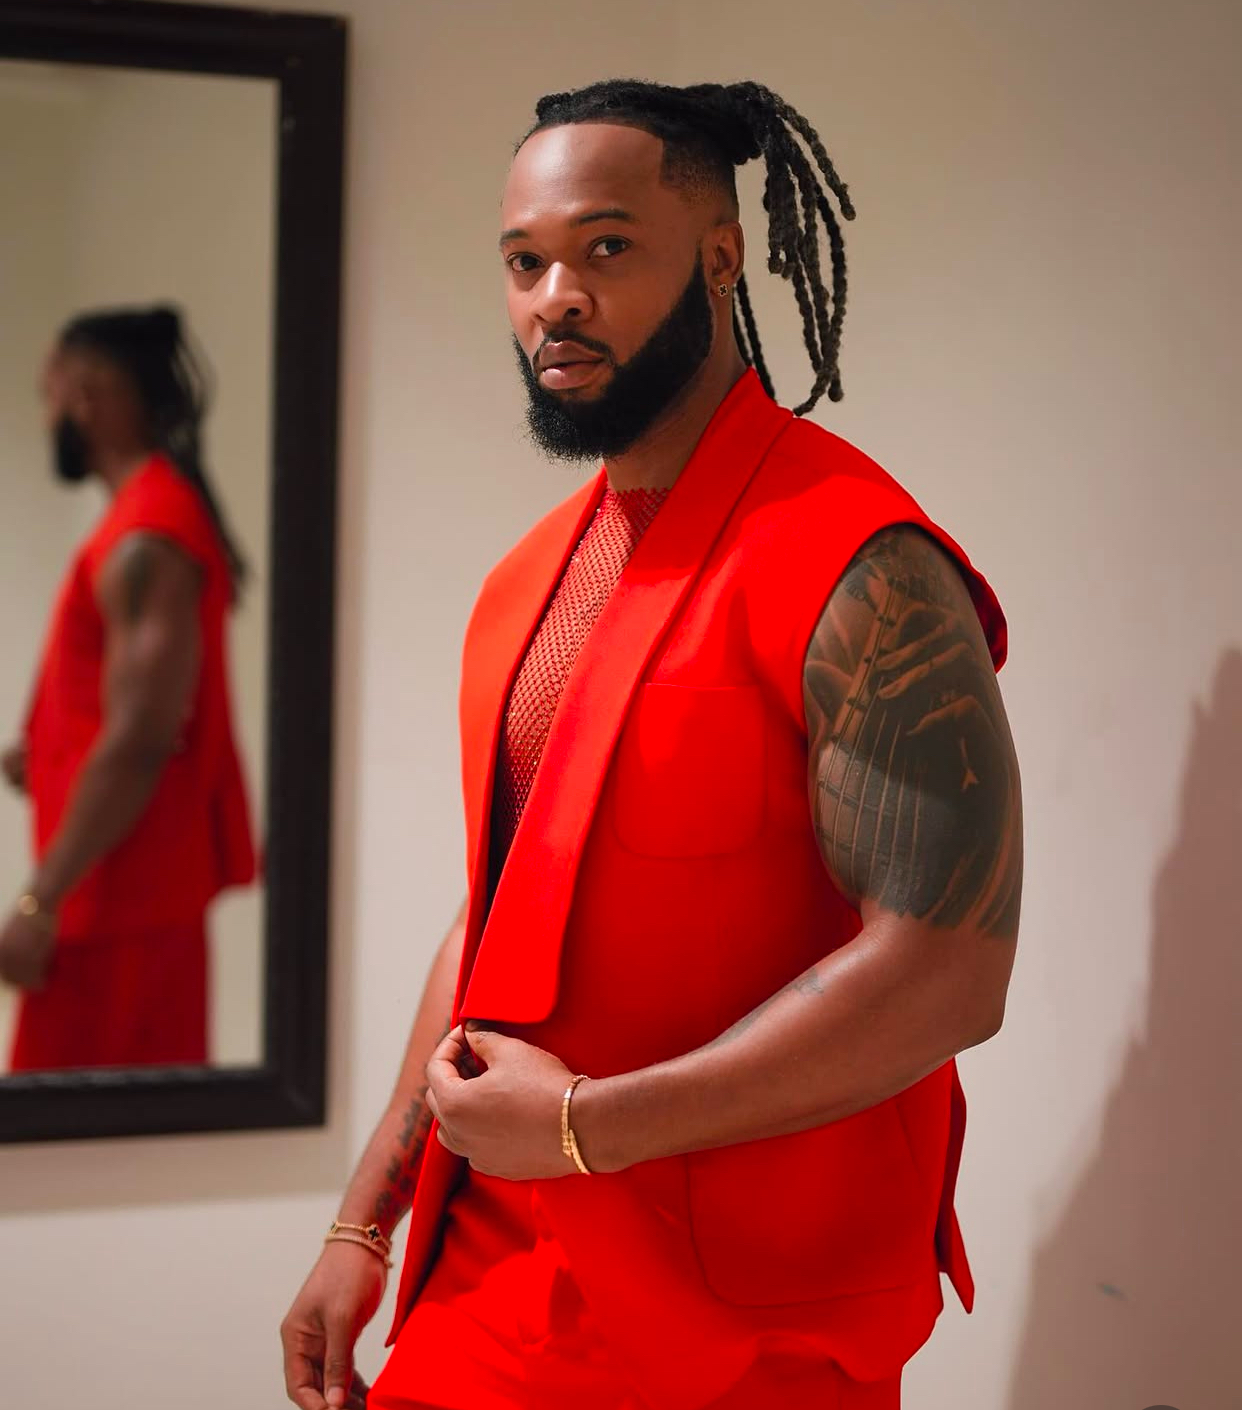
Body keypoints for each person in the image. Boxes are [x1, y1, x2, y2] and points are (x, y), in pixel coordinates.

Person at [281, 79, 1022, 1410]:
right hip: (496, 1278)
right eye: (524, 262)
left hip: (746, 1319)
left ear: (721, 258)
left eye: (606, 247)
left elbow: (947, 973)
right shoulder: (526, 582)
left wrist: (583, 1128)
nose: (554, 298)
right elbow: (496, 913)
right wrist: (362, 1221)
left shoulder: (860, 563)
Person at [0, 306, 257, 1070]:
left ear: (84, 397)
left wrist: (38, 901)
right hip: (123, 902)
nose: (48, 416)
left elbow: (143, 736)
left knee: (73, 1137)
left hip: (117, 913)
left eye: (51, 395)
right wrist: (49, 746)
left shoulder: (149, 532)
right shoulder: (149, 518)